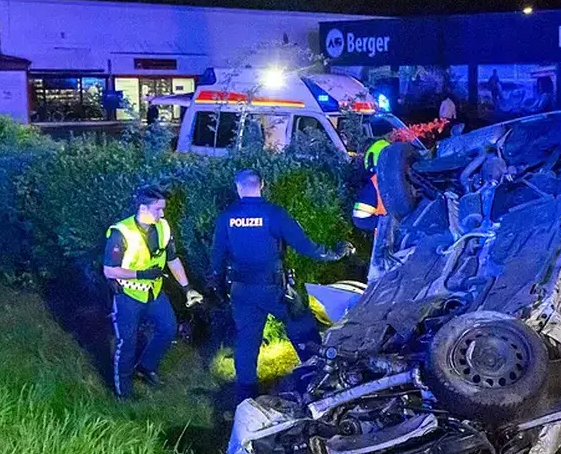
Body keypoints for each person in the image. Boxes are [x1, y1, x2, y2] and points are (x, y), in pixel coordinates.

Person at [210, 169, 355, 404]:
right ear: (262, 185)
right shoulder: (274, 214)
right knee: (302, 327)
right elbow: (305, 245)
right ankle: (320, 380)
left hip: (241, 290)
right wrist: (334, 253)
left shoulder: (227, 217)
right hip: (274, 290)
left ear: (238, 188)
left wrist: (216, 283)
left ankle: (245, 398)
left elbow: (216, 255)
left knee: (246, 341)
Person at [102, 185, 203, 400]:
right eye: (158, 209)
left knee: (168, 329)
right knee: (126, 343)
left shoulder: (163, 228)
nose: (162, 214)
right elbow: (109, 270)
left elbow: (172, 259)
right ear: (143, 208)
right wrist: (140, 274)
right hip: (128, 295)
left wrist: (187, 288)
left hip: (154, 291)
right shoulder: (121, 233)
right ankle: (123, 393)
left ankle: (146, 367)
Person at [352, 140, 389, 232]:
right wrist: (389, 222)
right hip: (400, 235)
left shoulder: (373, 186)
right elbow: (360, 220)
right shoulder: (372, 187)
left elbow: (360, 220)